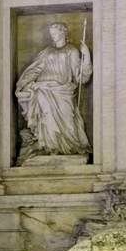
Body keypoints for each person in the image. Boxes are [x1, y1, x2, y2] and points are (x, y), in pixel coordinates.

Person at [16, 21, 93, 158]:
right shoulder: (46, 52)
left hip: (63, 91)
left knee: (69, 121)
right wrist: (23, 83)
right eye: (51, 34)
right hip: (44, 89)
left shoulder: (72, 51)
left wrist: (86, 56)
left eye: (56, 33)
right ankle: (50, 147)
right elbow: (36, 69)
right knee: (46, 119)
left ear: (63, 32)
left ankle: (70, 147)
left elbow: (81, 77)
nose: (53, 36)